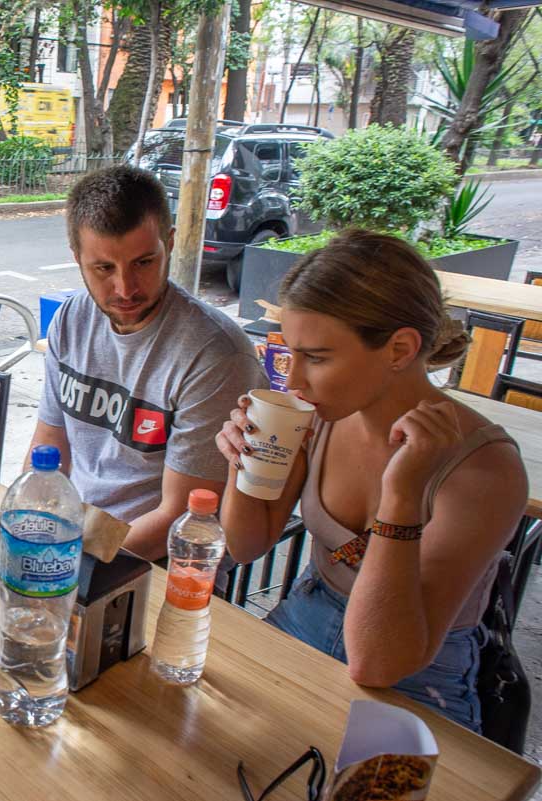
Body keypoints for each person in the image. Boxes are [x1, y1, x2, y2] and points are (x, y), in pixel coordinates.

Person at [214, 229, 527, 732]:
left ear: (400, 348)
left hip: (419, 672)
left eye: (316, 357)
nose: (293, 381)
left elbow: (379, 664)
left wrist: (401, 499)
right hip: (305, 617)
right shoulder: (318, 416)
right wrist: (243, 463)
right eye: (290, 353)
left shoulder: (483, 468)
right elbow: (247, 545)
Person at [28, 165, 267, 559]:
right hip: (76, 541)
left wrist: (67, 564)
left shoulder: (216, 355)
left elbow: (179, 516)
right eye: (104, 268)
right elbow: (48, 446)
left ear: (169, 244)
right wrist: (30, 524)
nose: (125, 288)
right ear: (77, 258)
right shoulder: (71, 319)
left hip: (162, 567)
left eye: (143, 262)